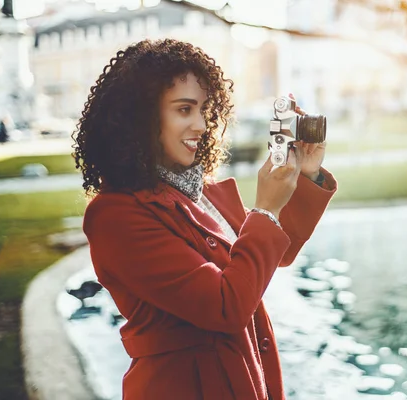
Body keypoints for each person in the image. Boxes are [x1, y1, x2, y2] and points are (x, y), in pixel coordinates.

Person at [73, 38, 337, 400]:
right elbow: (225, 307)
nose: (201, 124)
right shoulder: (115, 216)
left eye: (204, 109)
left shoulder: (202, 191)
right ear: (141, 117)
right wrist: (264, 210)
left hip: (242, 377)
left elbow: (273, 253)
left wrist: (304, 175)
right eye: (184, 110)